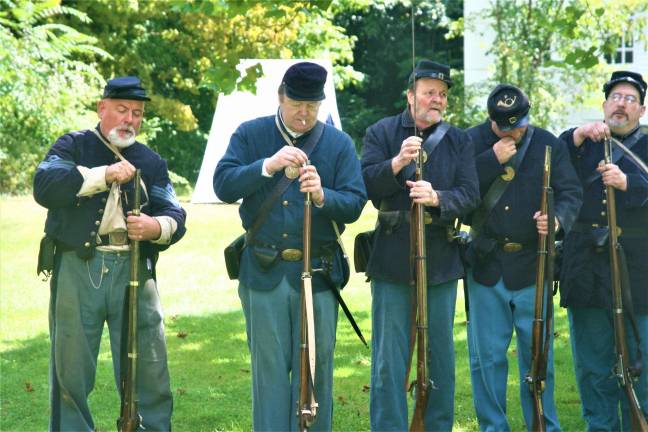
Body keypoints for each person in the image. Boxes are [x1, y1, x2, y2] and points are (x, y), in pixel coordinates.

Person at [213, 62, 366, 431]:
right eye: (297, 103)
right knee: (268, 373)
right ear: (280, 96)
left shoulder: (338, 143)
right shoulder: (251, 134)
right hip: (264, 270)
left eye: (312, 106)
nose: (304, 113)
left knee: (318, 370)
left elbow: (356, 202)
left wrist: (323, 195)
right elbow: (223, 184)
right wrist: (266, 166)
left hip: (319, 273)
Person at [33, 76, 187, 431]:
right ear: (102, 109)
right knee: (70, 370)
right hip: (77, 267)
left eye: (137, 113)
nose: (129, 119)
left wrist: (155, 227)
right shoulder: (72, 145)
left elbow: (176, 215)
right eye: (121, 109)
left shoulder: (151, 161)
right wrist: (104, 174)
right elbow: (45, 186)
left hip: (135, 268)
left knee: (149, 368)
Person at [361, 59, 480, 431]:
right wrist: (396, 162)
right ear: (410, 95)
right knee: (388, 360)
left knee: (440, 358)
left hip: (441, 261)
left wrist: (438, 198)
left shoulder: (459, 140)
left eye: (442, 94)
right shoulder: (381, 132)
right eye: (429, 92)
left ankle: (436, 425)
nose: (437, 99)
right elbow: (365, 185)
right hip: (392, 261)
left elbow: (470, 195)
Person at [464, 84, 582, 431]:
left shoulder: (547, 143)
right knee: (486, 359)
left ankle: (543, 426)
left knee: (539, 358)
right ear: (491, 120)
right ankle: (492, 428)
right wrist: (490, 161)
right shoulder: (471, 143)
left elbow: (571, 193)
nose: (516, 131)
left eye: (520, 123)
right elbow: (459, 191)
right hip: (486, 264)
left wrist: (557, 219)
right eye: (506, 126)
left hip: (535, 263)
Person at [558, 70, 648, 431]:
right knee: (593, 365)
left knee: (640, 362)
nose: (621, 104)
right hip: (586, 268)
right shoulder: (581, 145)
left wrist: (630, 184)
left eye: (629, 99)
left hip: (640, 272)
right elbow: (547, 164)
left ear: (641, 110)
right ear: (604, 104)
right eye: (615, 97)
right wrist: (577, 134)